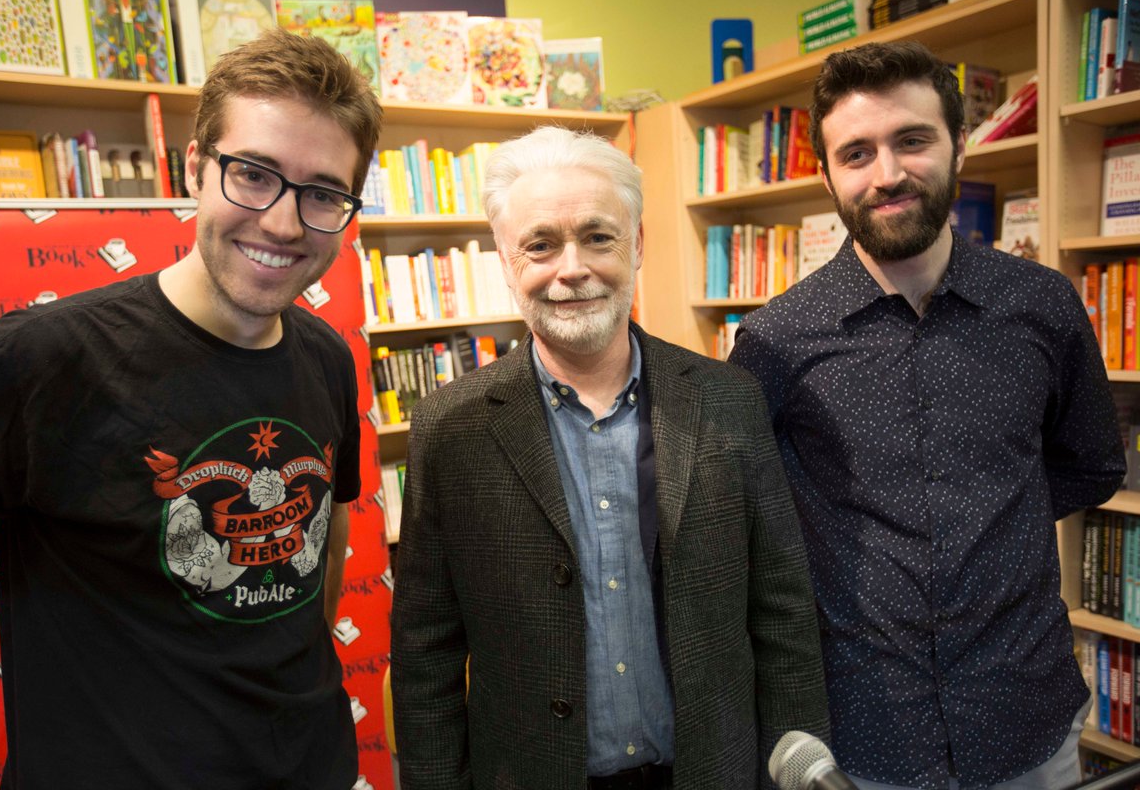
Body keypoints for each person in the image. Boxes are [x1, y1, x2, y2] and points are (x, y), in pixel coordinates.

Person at [0, 27, 382, 788]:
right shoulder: (38, 359)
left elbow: (325, 535)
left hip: (311, 766)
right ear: (196, 168)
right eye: (254, 175)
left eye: (322, 193)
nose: (283, 223)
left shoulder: (327, 356)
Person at [729, 40, 1125, 790]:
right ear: (827, 176)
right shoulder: (774, 341)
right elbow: (756, 521)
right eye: (857, 153)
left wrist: (995, 518)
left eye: (912, 140)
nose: (887, 174)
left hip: (1027, 716)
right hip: (864, 733)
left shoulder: (1042, 305)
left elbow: (1091, 463)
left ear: (959, 146)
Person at [390, 125, 830, 790]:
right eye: (540, 245)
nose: (572, 268)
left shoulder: (730, 400)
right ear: (505, 262)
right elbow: (426, 653)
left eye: (598, 237)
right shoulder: (450, 428)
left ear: (639, 244)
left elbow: (783, 612)